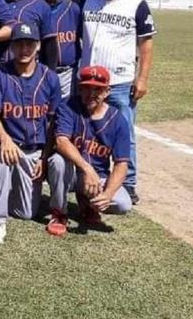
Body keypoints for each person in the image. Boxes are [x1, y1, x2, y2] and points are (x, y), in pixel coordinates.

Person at [76, 0, 156, 204]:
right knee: (84, 129)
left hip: (120, 81)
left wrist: (141, 78)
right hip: (88, 82)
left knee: (125, 132)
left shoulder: (137, 5)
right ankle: (83, 176)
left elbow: (146, 43)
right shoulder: (86, 0)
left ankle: (128, 183)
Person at [0, 22, 64, 245]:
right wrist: (5, 139)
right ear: (11, 46)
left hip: (34, 151)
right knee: (0, 156)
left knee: (25, 212)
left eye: (29, 44)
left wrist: (45, 158)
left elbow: (52, 122)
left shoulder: (50, 77)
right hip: (8, 144)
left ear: (38, 46)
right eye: (19, 44)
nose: (24, 49)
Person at [51, 65, 134, 232]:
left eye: (97, 89)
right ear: (80, 88)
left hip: (98, 178)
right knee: (57, 161)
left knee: (123, 203)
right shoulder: (68, 106)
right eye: (86, 88)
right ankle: (59, 212)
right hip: (72, 172)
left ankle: (89, 204)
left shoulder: (118, 120)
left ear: (107, 91)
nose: (91, 94)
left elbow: (121, 164)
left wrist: (107, 194)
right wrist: (87, 169)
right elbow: (61, 141)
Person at [39, 0, 80, 99]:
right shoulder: (33, 7)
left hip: (67, 72)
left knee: (65, 112)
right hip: (40, 71)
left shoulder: (73, 8)